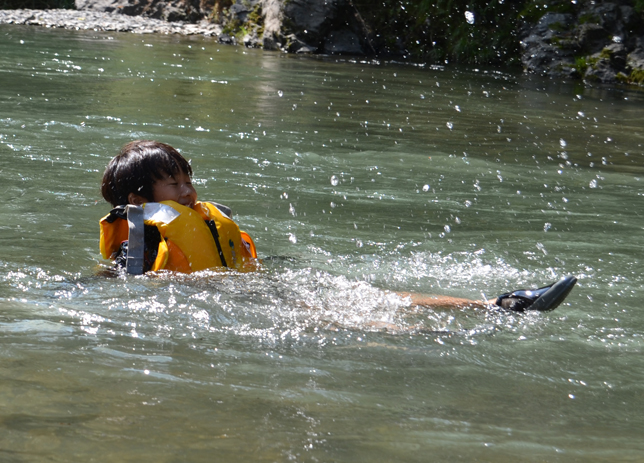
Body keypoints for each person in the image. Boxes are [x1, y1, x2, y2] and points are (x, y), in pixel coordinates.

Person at [99, 140, 577, 312]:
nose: (187, 192)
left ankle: (499, 303)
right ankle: (479, 317)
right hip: (224, 303)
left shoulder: (200, 219)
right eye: (172, 184)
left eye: (187, 179)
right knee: (355, 316)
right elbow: (132, 288)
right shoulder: (139, 240)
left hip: (250, 291)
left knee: (375, 297)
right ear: (139, 200)